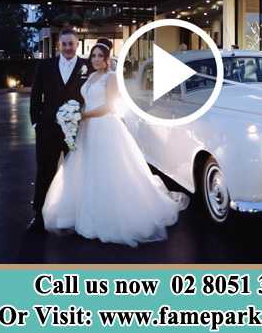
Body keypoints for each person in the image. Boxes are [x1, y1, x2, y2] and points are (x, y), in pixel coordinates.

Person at [42, 42, 189, 246]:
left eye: (99, 56)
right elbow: (87, 100)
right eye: (93, 56)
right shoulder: (92, 76)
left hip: (104, 127)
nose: (95, 59)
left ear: (106, 58)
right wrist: (73, 112)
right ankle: (86, 214)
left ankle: (112, 217)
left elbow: (109, 106)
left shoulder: (112, 78)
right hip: (88, 129)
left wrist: (82, 115)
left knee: (108, 171)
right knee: (88, 171)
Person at [28, 28, 90, 232]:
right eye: (64, 44)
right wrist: (36, 122)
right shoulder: (45, 65)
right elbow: (35, 95)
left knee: (78, 171)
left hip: (76, 129)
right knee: (45, 170)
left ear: (77, 44)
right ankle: (39, 214)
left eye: (71, 43)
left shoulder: (88, 66)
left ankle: (79, 212)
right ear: (58, 46)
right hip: (47, 128)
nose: (68, 47)